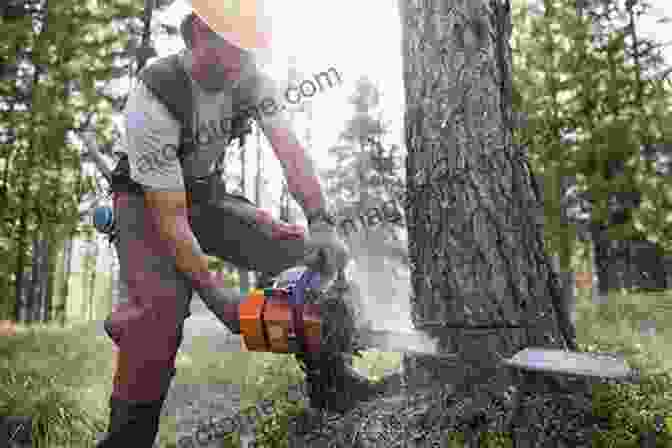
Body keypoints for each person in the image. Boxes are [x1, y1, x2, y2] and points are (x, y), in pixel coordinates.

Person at [95, 7, 388, 447]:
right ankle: (127, 439)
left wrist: (322, 222)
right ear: (196, 34)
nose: (237, 63)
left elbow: (289, 149)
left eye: (245, 51)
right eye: (227, 48)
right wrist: (219, 300)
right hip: (144, 202)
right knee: (158, 314)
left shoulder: (251, 77)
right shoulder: (154, 94)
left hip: (204, 194)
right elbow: (171, 218)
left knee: (302, 254)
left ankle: (333, 382)